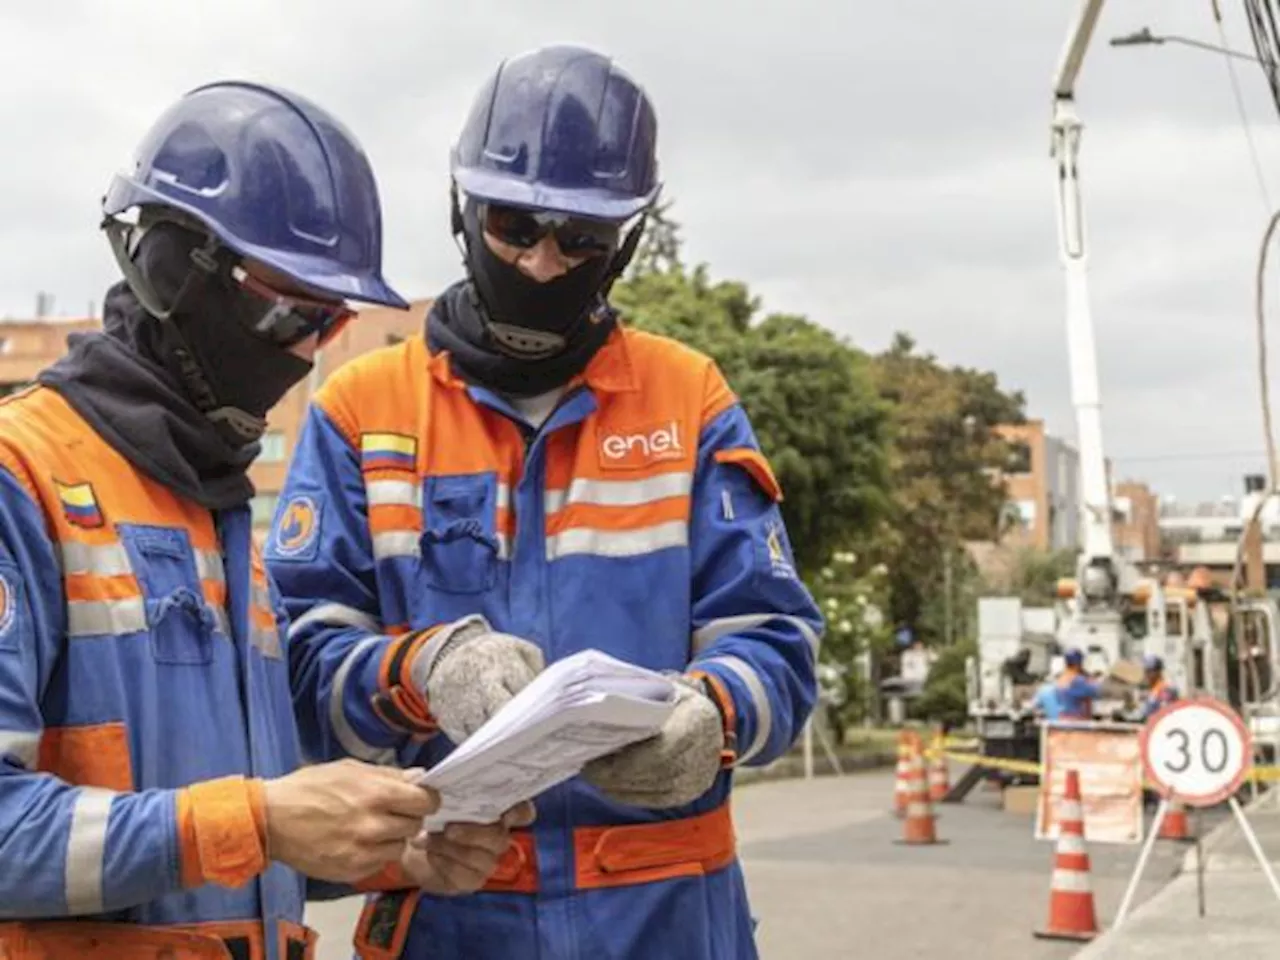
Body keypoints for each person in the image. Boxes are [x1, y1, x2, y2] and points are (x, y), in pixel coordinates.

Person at [266, 44, 823, 959]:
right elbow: (296, 656)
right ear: (461, 207)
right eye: (513, 225)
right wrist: (418, 670)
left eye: (581, 240)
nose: (539, 262)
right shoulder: (362, 411)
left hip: (668, 923)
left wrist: (713, 715)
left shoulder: (690, 401)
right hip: (450, 919)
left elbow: (776, 639)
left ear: (625, 243)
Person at [0, 81, 524, 960]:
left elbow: (242, 837)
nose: (305, 352)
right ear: (171, 265)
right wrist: (261, 818)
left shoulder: (222, 512)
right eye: (291, 312)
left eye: (330, 324)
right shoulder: (24, 478)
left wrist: (392, 849)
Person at [1054, 647, 1103, 720]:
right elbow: (1097, 692)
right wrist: (1092, 679)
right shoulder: (1078, 681)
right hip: (1077, 721)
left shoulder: (1060, 679)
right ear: (1078, 663)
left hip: (1062, 719)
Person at [1140, 653, 1179, 720]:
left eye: (1149, 671)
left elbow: (1164, 714)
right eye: (1146, 671)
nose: (1146, 675)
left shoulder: (1165, 689)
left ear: (1158, 671)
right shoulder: (1154, 689)